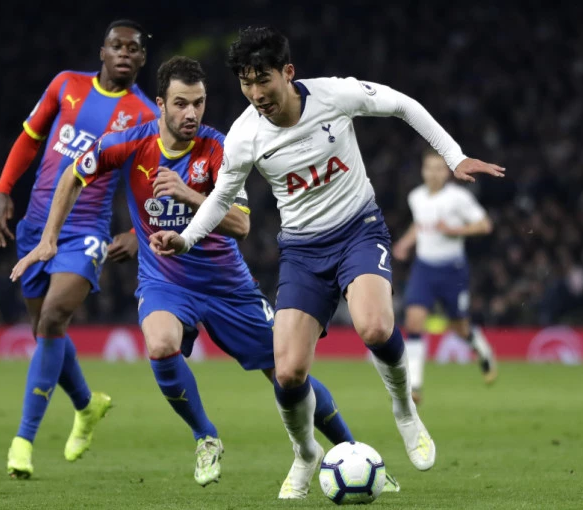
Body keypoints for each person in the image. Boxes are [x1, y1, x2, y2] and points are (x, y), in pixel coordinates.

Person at [11, 56, 400, 492]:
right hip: (165, 281)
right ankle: (205, 436)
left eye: (198, 103)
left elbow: (241, 225)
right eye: (181, 103)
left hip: (227, 286)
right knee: (160, 345)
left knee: (287, 374)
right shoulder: (130, 142)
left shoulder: (219, 148)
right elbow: (72, 174)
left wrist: (189, 194)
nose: (191, 113)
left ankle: (352, 452)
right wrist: (49, 239)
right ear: (161, 104)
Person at [149, 27, 506, 498]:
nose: (256, 94)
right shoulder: (244, 136)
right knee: (288, 373)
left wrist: (453, 156)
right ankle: (305, 453)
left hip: (358, 230)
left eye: (263, 80)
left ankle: (404, 410)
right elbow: (221, 197)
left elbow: (402, 104)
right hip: (301, 251)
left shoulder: (334, 95)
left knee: (374, 327)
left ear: (288, 72)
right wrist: (187, 238)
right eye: (246, 83)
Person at [0, 19, 159, 479]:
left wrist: (137, 233)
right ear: (102, 51)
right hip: (35, 227)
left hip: (86, 231)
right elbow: (30, 138)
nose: (124, 53)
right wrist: (3, 188)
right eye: (116, 46)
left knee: (52, 319)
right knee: (45, 330)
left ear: (142, 59)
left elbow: (147, 182)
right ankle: (87, 405)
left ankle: (23, 441)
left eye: (133, 49)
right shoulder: (66, 85)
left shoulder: (145, 115)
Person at [393, 148, 498, 404]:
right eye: (429, 168)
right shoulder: (416, 197)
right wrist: (405, 242)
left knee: (459, 327)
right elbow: (420, 225)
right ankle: (415, 386)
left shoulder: (458, 198)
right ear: (423, 170)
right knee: (414, 321)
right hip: (424, 268)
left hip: (452, 270)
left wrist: (454, 231)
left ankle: (483, 350)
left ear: (447, 172)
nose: (434, 173)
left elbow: (485, 225)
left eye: (439, 168)